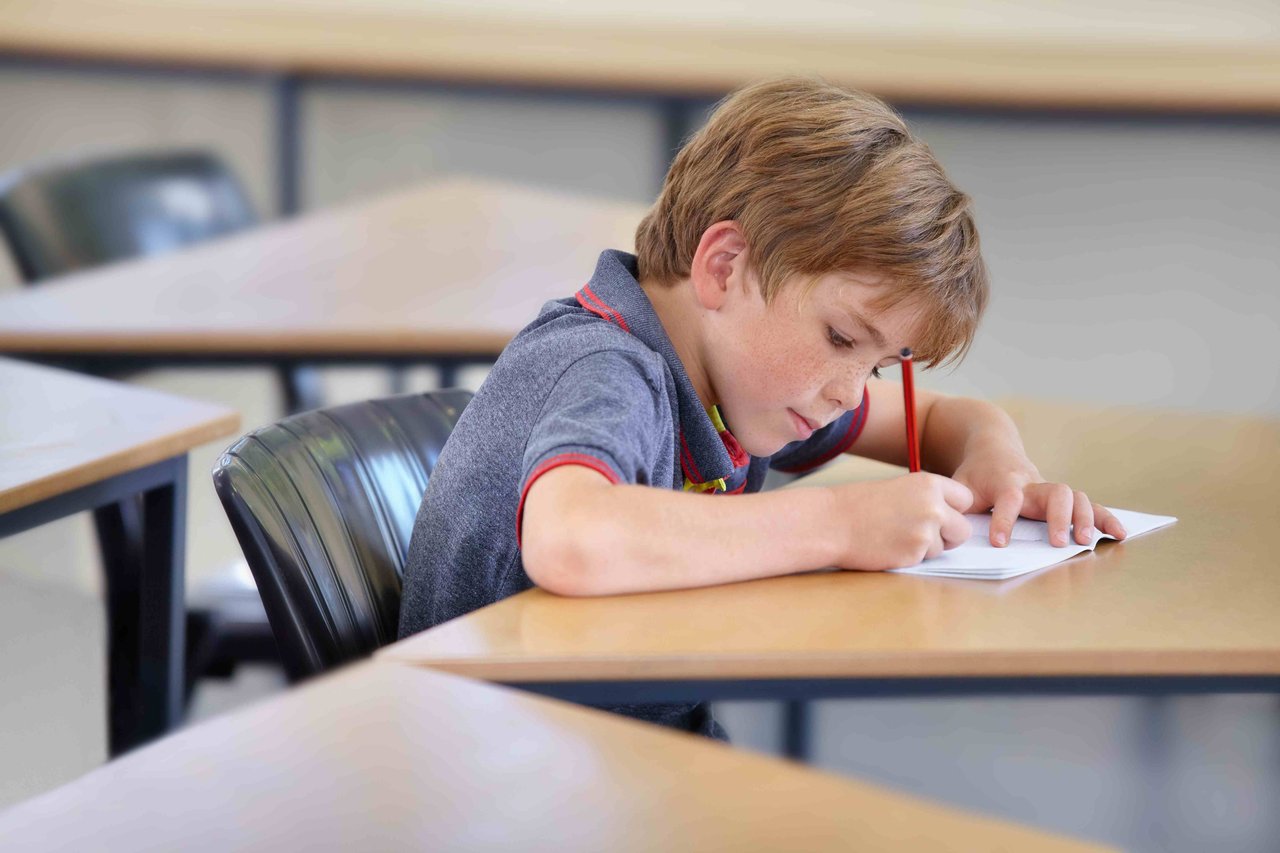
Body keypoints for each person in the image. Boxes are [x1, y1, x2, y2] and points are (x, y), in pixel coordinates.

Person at [397, 77, 1127, 738]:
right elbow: (573, 538)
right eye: (841, 337)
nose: (850, 389)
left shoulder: (737, 384)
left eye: (875, 364)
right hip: (503, 777)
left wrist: (1000, 468)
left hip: (610, 756)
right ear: (724, 267)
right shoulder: (608, 365)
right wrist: (843, 523)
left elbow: (944, 419)